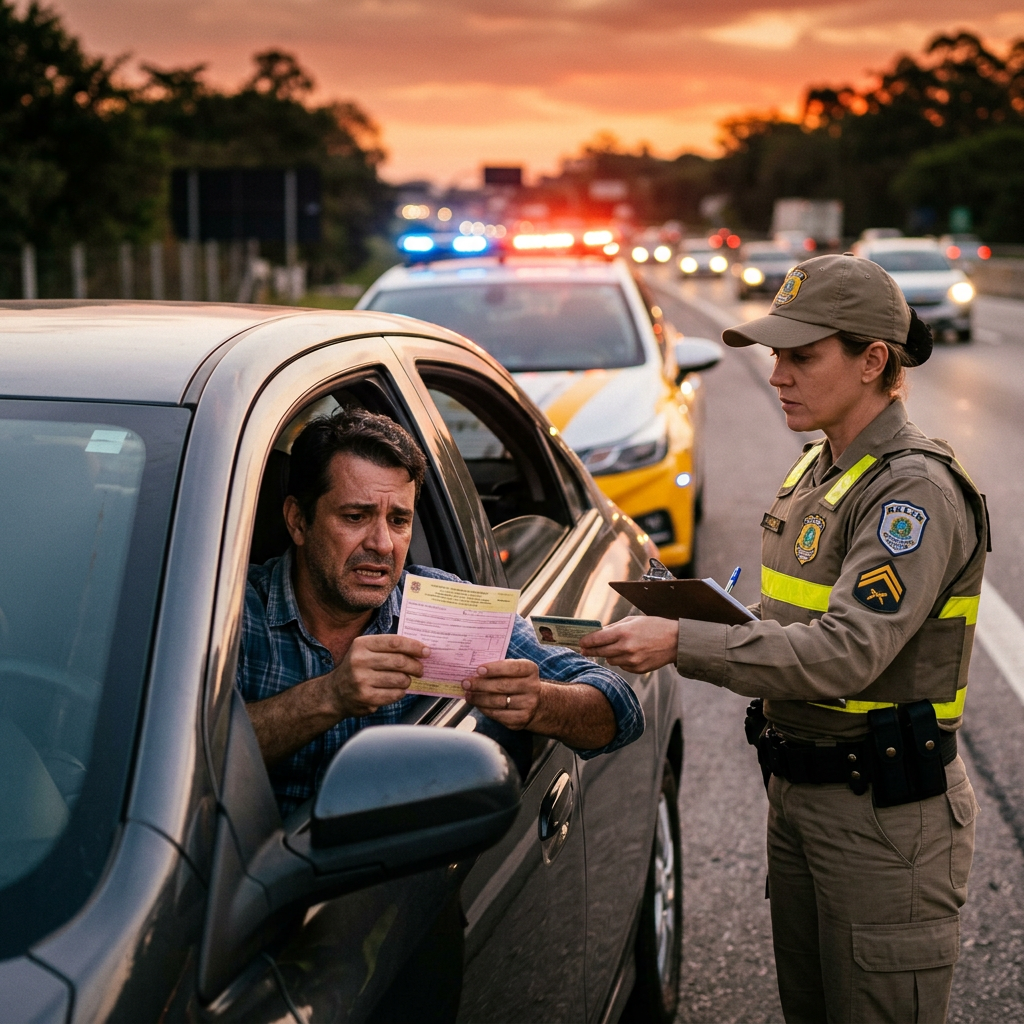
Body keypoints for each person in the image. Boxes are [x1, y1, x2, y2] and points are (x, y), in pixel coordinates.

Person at [582, 253, 988, 1024]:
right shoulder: (819, 468)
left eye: (802, 356)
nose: (778, 376)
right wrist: (697, 616)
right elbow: (793, 621)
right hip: (801, 792)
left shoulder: (913, 491)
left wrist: (681, 642)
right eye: (776, 355)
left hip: (882, 819)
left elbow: (846, 652)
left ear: (874, 361)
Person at [238, 407, 643, 814]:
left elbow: (619, 709)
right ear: (298, 521)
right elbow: (183, 756)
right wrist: (329, 696)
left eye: (399, 521)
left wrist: (539, 702)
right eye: (356, 516)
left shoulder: (443, 608)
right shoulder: (231, 618)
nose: (382, 543)